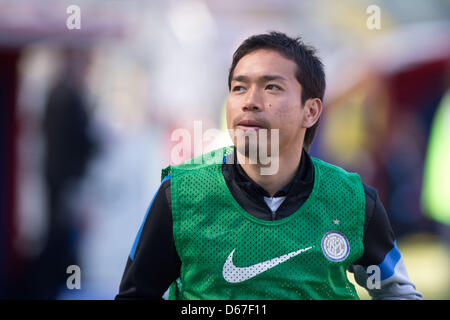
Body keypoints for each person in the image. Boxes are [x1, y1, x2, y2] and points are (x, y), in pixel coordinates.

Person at [116, 32, 422, 300]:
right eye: (238, 88)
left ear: (311, 111)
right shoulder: (180, 195)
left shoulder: (353, 200)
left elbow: (398, 293)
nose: (250, 101)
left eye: (271, 87)